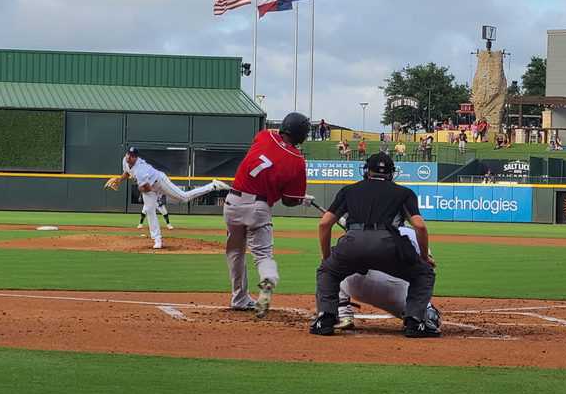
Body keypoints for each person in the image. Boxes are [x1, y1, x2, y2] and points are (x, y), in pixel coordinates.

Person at [311, 153, 438, 338]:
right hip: (387, 243)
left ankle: (326, 318)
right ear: (391, 173)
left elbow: (324, 224)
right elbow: (419, 226)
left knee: (327, 272)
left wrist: (326, 258)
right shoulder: (404, 193)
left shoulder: (349, 190)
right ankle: (414, 322)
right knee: (424, 273)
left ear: (366, 171)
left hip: (352, 241)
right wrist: (424, 257)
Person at [224, 112, 310, 317]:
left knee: (235, 252)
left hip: (232, 202)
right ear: (301, 135)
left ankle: (239, 298)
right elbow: (289, 201)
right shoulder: (297, 161)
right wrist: (300, 198)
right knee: (262, 255)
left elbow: (265, 161)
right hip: (258, 207)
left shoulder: (265, 136)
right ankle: (268, 278)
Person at [105, 148, 229, 249]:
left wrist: (143, 189)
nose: (129, 157)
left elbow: (146, 188)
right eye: (128, 154)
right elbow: (127, 173)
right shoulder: (125, 161)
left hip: (159, 182)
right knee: (149, 210)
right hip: (149, 186)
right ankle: (157, 239)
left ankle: (213, 185)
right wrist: (119, 180)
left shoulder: (140, 169)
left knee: (183, 197)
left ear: (136, 157)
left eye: (131, 155)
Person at [336, 226, 440, 330]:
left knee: (333, 266)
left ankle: (342, 313)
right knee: (428, 315)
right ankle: (414, 319)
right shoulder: (410, 232)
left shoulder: (357, 230)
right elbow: (427, 270)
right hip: (394, 292)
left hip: (353, 285)